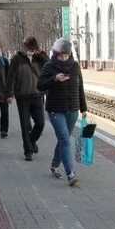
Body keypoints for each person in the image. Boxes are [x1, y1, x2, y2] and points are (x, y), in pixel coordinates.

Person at [37, 38, 87, 186]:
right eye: (61, 56)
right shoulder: (49, 66)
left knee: (63, 139)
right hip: (55, 109)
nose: (64, 58)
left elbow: (80, 88)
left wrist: (83, 108)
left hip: (73, 109)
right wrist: (54, 79)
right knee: (65, 139)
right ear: (55, 54)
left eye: (66, 55)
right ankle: (70, 173)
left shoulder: (75, 67)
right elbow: (39, 85)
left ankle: (54, 165)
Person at [7, 35, 49, 161]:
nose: (31, 50)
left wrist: (41, 53)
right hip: (22, 96)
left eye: (33, 48)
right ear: (24, 47)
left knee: (40, 123)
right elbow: (11, 77)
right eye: (29, 48)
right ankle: (28, 151)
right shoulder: (16, 59)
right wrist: (9, 94)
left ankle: (31, 141)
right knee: (25, 125)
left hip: (37, 95)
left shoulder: (39, 58)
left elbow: (50, 65)